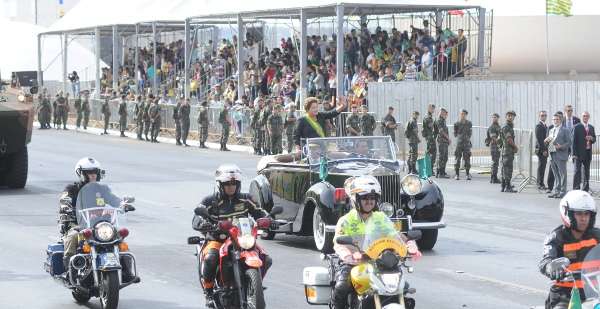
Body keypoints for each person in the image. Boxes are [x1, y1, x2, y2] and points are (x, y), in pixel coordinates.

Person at [332, 176, 421, 309]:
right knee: (342, 286)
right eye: (365, 198)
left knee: (402, 287)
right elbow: (339, 243)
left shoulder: (381, 218)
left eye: (372, 198)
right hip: (354, 263)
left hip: (379, 262)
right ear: (356, 199)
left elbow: (394, 235)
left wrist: (408, 245)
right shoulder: (346, 220)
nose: (369, 201)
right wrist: (348, 255)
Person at [192, 164, 271, 308]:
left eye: (234, 183)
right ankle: (209, 292)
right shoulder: (210, 201)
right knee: (211, 258)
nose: (231, 186)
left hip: (242, 239)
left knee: (266, 258)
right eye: (227, 184)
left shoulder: (246, 199)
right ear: (220, 184)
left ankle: (254, 284)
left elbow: (260, 213)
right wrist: (204, 224)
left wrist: (269, 220)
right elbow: (197, 217)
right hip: (218, 240)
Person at [539, 190, 600, 309]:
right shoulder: (556, 237)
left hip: (593, 293)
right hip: (565, 295)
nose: (584, 218)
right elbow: (545, 261)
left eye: (587, 214)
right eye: (579, 214)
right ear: (568, 213)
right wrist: (551, 267)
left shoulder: (597, 236)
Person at [59, 157, 106, 276]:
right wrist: (66, 206)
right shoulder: (72, 189)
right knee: (73, 236)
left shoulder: (101, 190)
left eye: (95, 172)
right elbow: (65, 199)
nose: (93, 175)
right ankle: (70, 270)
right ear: (81, 174)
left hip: (98, 225)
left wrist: (122, 204)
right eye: (89, 173)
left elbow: (114, 200)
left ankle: (126, 269)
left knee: (117, 236)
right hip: (77, 224)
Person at [545, 113, 571, 198]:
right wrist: (546, 141)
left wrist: (561, 146)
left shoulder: (565, 130)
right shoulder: (551, 130)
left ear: (561, 120)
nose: (555, 121)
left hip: (560, 154)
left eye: (557, 119)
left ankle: (563, 192)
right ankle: (556, 191)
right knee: (556, 174)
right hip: (552, 153)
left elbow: (569, 142)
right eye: (554, 120)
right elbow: (550, 141)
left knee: (562, 174)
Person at [572, 112, 596, 192]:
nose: (585, 117)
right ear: (582, 117)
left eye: (586, 116)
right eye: (584, 116)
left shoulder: (591, 127)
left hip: (587, 152)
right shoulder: (577, 127)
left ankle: (585, 189)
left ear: (589, 117)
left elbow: (594, 139)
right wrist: (574, 154)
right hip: (578, 153)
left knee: (586, 172)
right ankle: (576, 188)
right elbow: (573, 141)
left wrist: (591, 138)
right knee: (577, 171)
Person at [500, 111, 518, 193]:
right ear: (506, 117)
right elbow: (509, 139)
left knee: (505, 168)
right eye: (509, 116)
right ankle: (507, 187)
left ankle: (504, 185)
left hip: (507, 151)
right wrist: (515, 146)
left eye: (512, 116)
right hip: (507, 151)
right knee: (508, 169)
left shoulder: (509, 126)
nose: (510, 117)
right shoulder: (506, 127)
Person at [453, 109, 472, 180]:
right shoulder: (457, 123)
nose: (463, 115)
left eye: (464, 114)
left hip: (466, 143)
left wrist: (466, 138)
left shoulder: (469, 123)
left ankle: (467, 174)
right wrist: (460, 137)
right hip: (459, 144)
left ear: (466, 115)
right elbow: (455, 134)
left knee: (467, 159)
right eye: (461, 114)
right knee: (457, 158)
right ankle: (457, 174)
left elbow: (470, 133)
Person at [486, 113, 502, 184]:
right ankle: (493, 177)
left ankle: (494, 177)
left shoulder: (498, 126)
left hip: (497, 146)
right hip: (494, 146)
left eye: (496, 117)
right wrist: (499, 144)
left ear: (498, 118)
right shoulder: (492, 127)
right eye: (493, 117)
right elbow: (494, 138)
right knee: (494, 162)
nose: (494, 118)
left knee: (496, 162)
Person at [435, 107, 450, 178]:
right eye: (444, 113)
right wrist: (448, 138)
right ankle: (441, 173)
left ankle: (441, 171)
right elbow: (441, 131)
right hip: (442, 141)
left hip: (444, 141)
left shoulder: (443, 120)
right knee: (442, 157)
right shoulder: (440, 120)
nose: (445, 114)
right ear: (441, 113)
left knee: (444, 157)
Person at [536, 111, 549, 190]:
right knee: (541, 166)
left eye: (544, 115)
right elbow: (540, 140)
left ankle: (541, 182)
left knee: (543, 166)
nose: (543, 117)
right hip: (541, 150)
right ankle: (540, 183)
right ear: (539, 116)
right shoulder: (539, 126)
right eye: (542, 115)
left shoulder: (544, 125)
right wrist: (544, 150)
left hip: (544, 149)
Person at [422, 104, 438, 172]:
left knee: (431, 152)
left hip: (431, 137)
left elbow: (434, 128)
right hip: (429, 137)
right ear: (428, 108)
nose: (433, 110)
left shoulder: (431, 117)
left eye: (433, 109)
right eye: (431, 108)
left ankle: (429, 168)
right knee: (430, 152)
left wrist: (435, 134)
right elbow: (428, 127)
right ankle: (428, 169)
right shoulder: (427, 117)